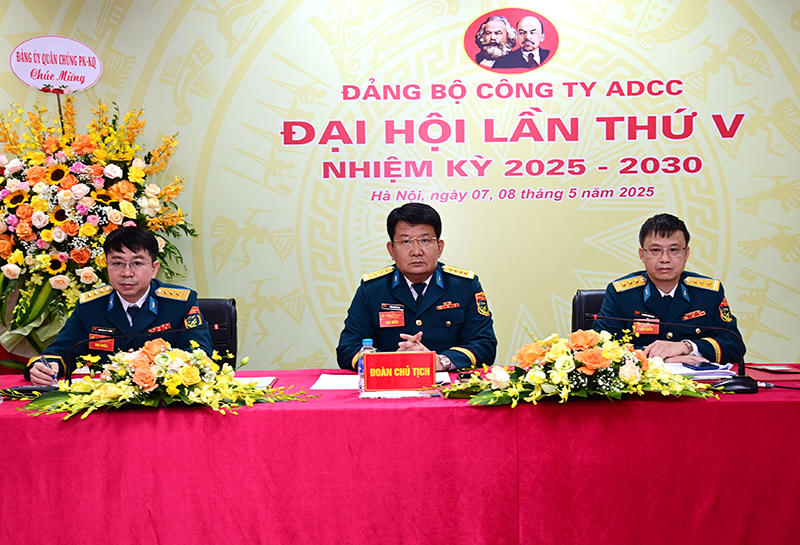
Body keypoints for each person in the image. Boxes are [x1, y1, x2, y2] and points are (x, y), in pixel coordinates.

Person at [27, 226, 213, 385]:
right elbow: (61, 352)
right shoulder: (91, 307)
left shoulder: (179, 303)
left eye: (137, 263)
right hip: (106, 402)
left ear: (154, 268)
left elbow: (199, 354)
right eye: (117, 263)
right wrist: (45, 367)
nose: (126, 272)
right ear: (107, 266)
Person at [336, 203, 497, 371]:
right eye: (406, 241)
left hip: (449, 383)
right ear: (391, 250)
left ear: (440, 247)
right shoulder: (372, 289)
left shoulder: (465, 286)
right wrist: (391, 362)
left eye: (425, 240)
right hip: (391, 382)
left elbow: (484, 344)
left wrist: (441, 361)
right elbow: (348, 349)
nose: (416, 251)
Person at [593, 213, 745, 364]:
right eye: (655, 250)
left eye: (674, 250)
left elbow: (734, 345)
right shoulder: (622, 294)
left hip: (700, 378)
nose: (665, 259)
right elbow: (602, 347)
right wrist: (661, 359)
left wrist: (686, 347)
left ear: (686, 253)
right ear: (642, 255)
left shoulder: (709, 293)